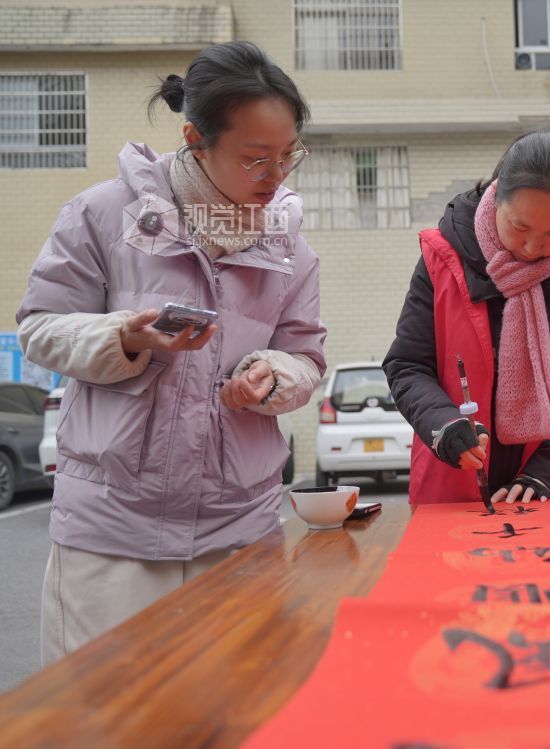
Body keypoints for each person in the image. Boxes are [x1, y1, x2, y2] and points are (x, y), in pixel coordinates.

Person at [16, 41, 327, 664]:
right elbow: (40, 327)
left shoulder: (288, 246)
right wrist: (122, 337)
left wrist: (271, 377)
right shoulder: (104, 214)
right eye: (255, 159)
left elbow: (307, 357)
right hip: (113, 530)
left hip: (237, 523)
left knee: (235, 713)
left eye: (288, 156)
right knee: (108, 717)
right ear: (195, 138)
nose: (275, 177)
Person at [384, 131, 550, 505]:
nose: (532, 249)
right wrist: (443, 426)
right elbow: (408, 364)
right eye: (520, 227)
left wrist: (548, 472)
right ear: (496, 197)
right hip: (454, 483)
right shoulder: (443, 257)